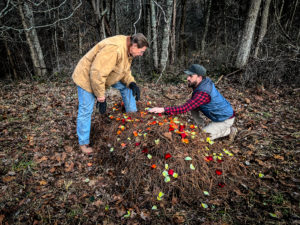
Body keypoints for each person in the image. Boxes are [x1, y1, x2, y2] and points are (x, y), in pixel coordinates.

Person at [72, 33, 149, 153]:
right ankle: (84, 143)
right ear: (134, 45)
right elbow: (97, 73)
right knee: (86, 110)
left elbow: (124, 70)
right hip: (87, 77)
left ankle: (132, 117)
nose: (141, 54)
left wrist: (132, 83)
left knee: (128, 87)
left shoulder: (128, 49)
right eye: (141, 51)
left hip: (108, 76)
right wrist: (101, 97)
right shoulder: (115, 49)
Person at [148, 64, 237, 141]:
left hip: (225, 119)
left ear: (199, 77)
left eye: (191, 76)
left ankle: (229, 131)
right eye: (188, 75)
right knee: (192, 105)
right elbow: (190, 105)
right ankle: (201, 126)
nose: (187, 78)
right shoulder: (204, 81)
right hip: (219, 113)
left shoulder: (203, 92)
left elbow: (184, 108)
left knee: (201, 138)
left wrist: (163, 109)